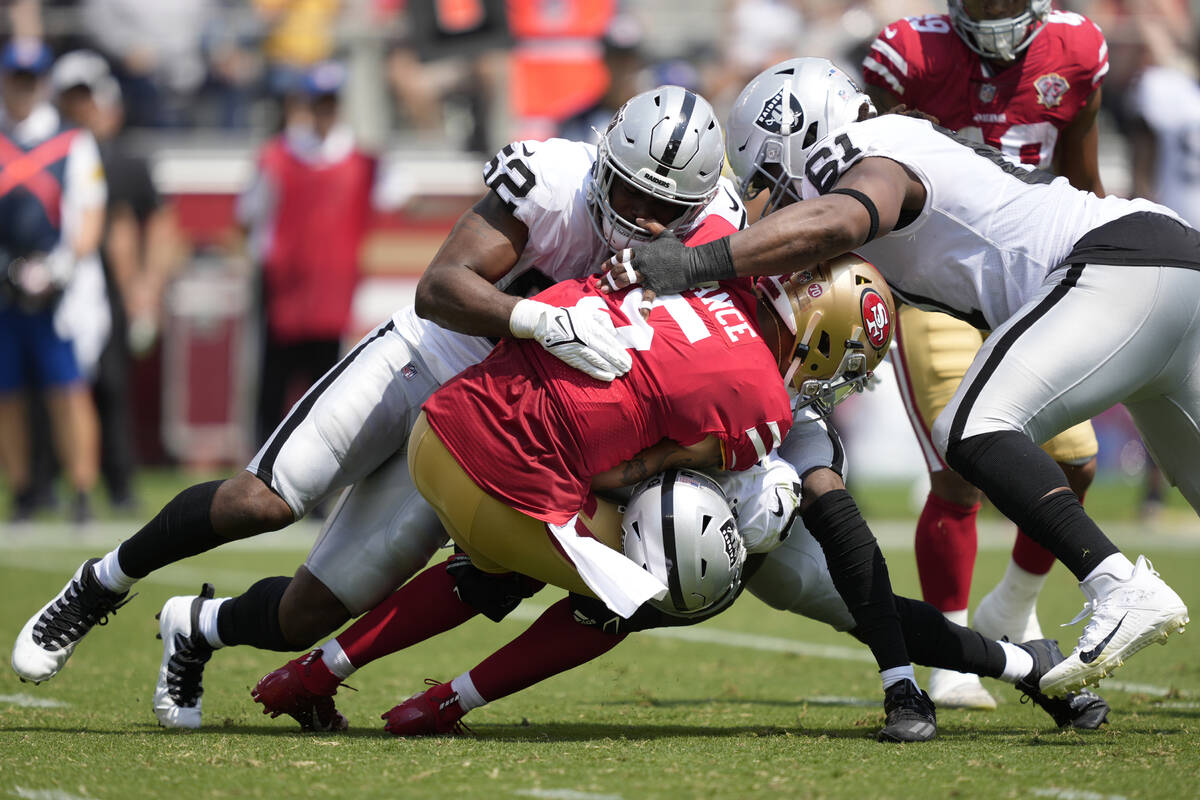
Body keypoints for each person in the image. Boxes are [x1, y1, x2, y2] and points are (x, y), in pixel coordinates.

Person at [9, 86, 743, 727]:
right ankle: (100, 582)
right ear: (604, 162)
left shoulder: (714, 232)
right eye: (630, 195)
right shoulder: (553, 181)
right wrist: (535, 319)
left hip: (489, 424)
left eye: (666, 209)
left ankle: (195, 626)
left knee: (311, 613)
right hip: (428, 358)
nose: (643, 220)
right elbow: (440, 286)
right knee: (262, 501)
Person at [250, 261, 1108, 740]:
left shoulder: (700, 285)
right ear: (819, 334)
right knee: (655, 576)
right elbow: (633, 473)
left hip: (456, 425)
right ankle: (440, 705)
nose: (837, 383)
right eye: (842, 360)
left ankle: (1025, 667)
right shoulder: (763, 396)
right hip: (581, 491)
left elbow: (844, 540)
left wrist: (900, 682)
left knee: (568, 559)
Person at [609, 57, 1194, 699]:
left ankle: (1115, 583)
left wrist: (691, 263)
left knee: (970, 427)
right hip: (1173, 264)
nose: (776, 201)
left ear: (800, 135)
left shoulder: (868, 146)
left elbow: (840, 219)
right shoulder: (902, 144)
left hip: (1112, 266)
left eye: (773, 179)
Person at [858, 0, 1108, 708]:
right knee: (958, 471)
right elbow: (863, 177)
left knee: (1076, 460)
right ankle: (952, 653)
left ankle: (1012, 606)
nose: (992, 8)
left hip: (1030, 279)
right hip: (931, 283)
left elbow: (1082, 176)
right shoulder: (908, 54)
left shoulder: (1077, 49)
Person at [53, 49, 183, 513]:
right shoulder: (47, 154)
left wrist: (145, 286)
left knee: (110, 387)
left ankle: (118, 483)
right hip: (56, 284)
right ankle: (51, 484)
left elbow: (155, 224)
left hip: (107, 288)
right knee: (54, 388)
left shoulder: (123, 161)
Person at [236, 61, 376, 447]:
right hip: (283, 288)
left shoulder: (360, 161)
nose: (324, 111)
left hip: (331, 290)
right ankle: (261, 461)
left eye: (330, 103)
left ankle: (316, 462)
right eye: (318, 103)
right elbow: (248, 216)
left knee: (325, 383)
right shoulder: (277, 158)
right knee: (273, 380)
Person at [0, 38, 107, 524]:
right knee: (8, 393)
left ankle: (81, 488)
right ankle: (21, 490)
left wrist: (59, 267)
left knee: (68, 389)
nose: (22, 90)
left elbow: (90, 214)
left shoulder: (72, 142)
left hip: (57, 290)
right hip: (6, 287)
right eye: (15, 80)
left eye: (30, 81)